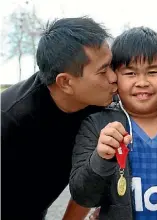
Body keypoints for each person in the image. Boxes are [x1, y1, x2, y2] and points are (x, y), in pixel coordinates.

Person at [69, 26, 157, 220]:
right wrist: (101, 158)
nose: (142, 82)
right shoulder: (97, 126)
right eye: (130, 73)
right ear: (115, 77)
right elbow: (84, 196)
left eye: (152, 72)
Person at [1, 17, 118, 219]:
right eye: (102, 71)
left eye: (112, 65)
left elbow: (89, 181)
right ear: (65, 82)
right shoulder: (10, 121)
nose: (114, 77)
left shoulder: (101, 103)